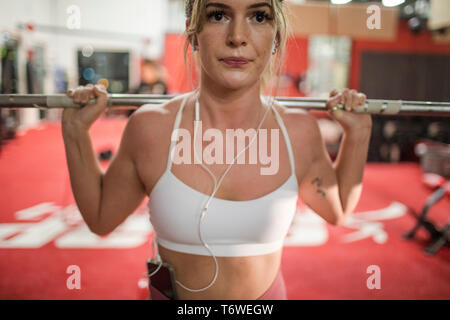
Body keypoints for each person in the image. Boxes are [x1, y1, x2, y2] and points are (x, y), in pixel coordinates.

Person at [61, 0, 372, 300]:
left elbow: (338, 208)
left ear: (277, 36)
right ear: (192, 33)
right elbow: (101, 217)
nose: (237, 37)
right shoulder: (151, 128)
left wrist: (359, 133)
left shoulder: (298, 132)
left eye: (259, 17)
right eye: (218, 15)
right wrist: (75, 131)